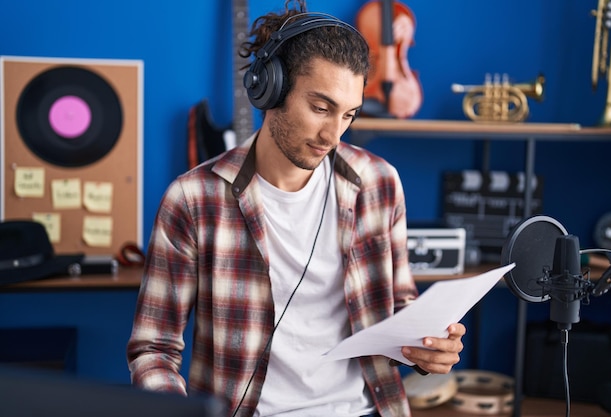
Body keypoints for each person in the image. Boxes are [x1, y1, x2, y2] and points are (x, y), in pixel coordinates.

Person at [126, 1, 466, 416]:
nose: (332, 133)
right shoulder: (192, 199)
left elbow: (398, 309)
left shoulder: (380, 182)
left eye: (348, 115)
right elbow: (153, 348)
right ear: (269, 88)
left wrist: (426, 346)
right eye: (320, 108)